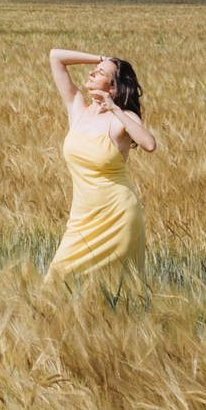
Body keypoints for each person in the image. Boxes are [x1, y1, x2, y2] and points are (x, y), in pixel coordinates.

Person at [44, 48, 157, 285]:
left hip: (118, 216)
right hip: (82, 219)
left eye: (101, 72)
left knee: (117, 290)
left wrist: (114, 107)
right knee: (55, 284)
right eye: (96, 69)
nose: (93, 72)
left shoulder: (121, 118)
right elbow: (56, 56)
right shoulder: (77, 108)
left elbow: (148, 143)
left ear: (113, 87)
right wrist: (102, 59)